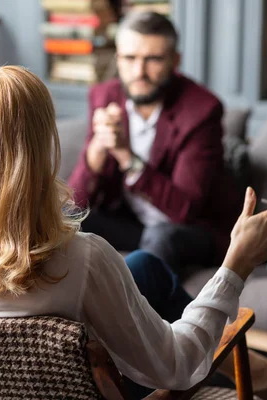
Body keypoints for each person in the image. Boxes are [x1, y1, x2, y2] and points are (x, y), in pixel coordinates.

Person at [0, 66, 267, 400]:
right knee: (142, 278)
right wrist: (236, 264)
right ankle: (261, 372)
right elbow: (177, 367)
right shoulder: (80, 261)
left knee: (144, 266)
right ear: (42, 152)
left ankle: (266, 372)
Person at [68, 11, 242, 272]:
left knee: (162, 237)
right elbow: (77, 201)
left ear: (175, 60)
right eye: (129, 58)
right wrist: (98, 148)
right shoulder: (104, 96)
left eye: (153, 60)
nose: (139, 72)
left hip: (190, 230)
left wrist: (126, 155)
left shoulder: (201, 110)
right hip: (132, 225)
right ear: (118, 58)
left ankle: (128, 312)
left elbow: (184, 210)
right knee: (63, 219)